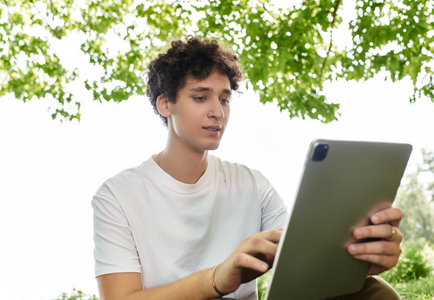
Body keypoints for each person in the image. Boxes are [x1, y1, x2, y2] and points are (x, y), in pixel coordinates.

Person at [92, 36, 403, 300]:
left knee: (373, 292)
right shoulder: (117, 196)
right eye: (201, 97)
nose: (217, 112)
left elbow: (302, 257)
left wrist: (365, 255)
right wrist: (216, 278)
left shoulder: (251, 184)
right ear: (165, 104)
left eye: (225, 100)